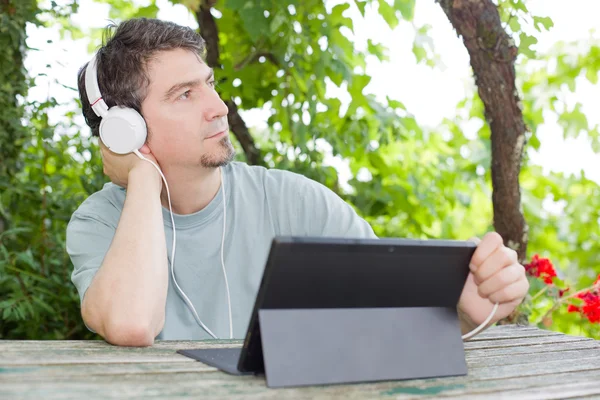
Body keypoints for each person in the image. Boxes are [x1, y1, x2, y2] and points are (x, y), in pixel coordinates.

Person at [66, 18, 529, 347]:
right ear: (126, 127)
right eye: (185, 95)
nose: (219, 106)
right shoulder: (98, 223)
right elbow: (131, 325)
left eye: (209, 83)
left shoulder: (296, 202)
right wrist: (144, 177)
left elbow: (397, 323)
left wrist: (470, 305)